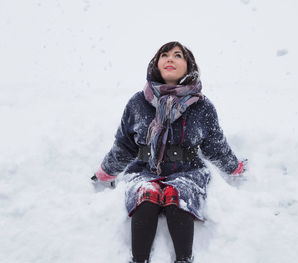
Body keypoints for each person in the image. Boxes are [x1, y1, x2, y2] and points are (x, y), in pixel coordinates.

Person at [91, 41, 246, 263]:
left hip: (188, 171)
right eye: (164, 55)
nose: (170, 58)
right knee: (146, 196)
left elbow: (215, 146)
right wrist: (106, 172)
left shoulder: (202, 106)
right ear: (156, 64)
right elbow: (125, 145)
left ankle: (184, 259)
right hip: (145, 169)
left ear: (189, 66)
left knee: (178, 196)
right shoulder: (137, 102)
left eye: (177, 55)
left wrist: (234, 167)